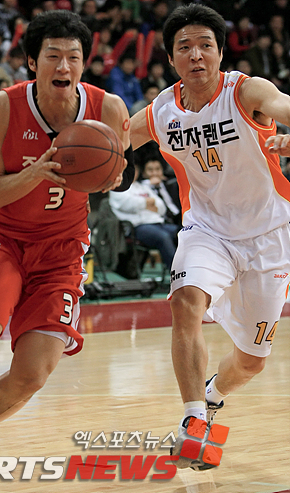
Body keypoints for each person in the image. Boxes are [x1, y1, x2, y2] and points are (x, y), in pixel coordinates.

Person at [0, 9, 134, 488]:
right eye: (52, 56)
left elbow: (124, 170)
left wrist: (113, 177)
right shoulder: (1, 105)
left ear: (84, 63)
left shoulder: (109, 107)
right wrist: (37, 172)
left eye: (73, 57)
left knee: (33, 374)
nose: (64, 66)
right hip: (3, 231)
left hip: (63, 246)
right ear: (32, 62)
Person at [130, 3, 290, 471]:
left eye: (205, 45)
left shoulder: (246, 91)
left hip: (270, 234)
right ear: (170, 58)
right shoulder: (161, 111)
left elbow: (285, 106)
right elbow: (111, 142)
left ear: (220, 52)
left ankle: (213, 394)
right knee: (185, 302)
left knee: (251, 361)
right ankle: (193, 419)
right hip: (207, 230)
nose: (196, 54)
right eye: (185, 47)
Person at [109, 162, 179, 271]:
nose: (132, 172)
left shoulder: (142, 187)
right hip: (138, 227)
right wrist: (147, 202)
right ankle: (176, 271)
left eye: (135, 170)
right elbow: (128, 204)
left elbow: (161, 207)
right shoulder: (117, 187)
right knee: (163, 237)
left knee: (182, 233)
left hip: (158, 223)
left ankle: (190, 268)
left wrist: (145, 204)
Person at [140, 154, 181, 226]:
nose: (155, 173)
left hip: (179, 217)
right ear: (143, 173)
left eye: (158, 169)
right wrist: (149, 183)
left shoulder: (171, 184)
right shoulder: (142, 187)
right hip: (160, 222)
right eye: (150, 170)